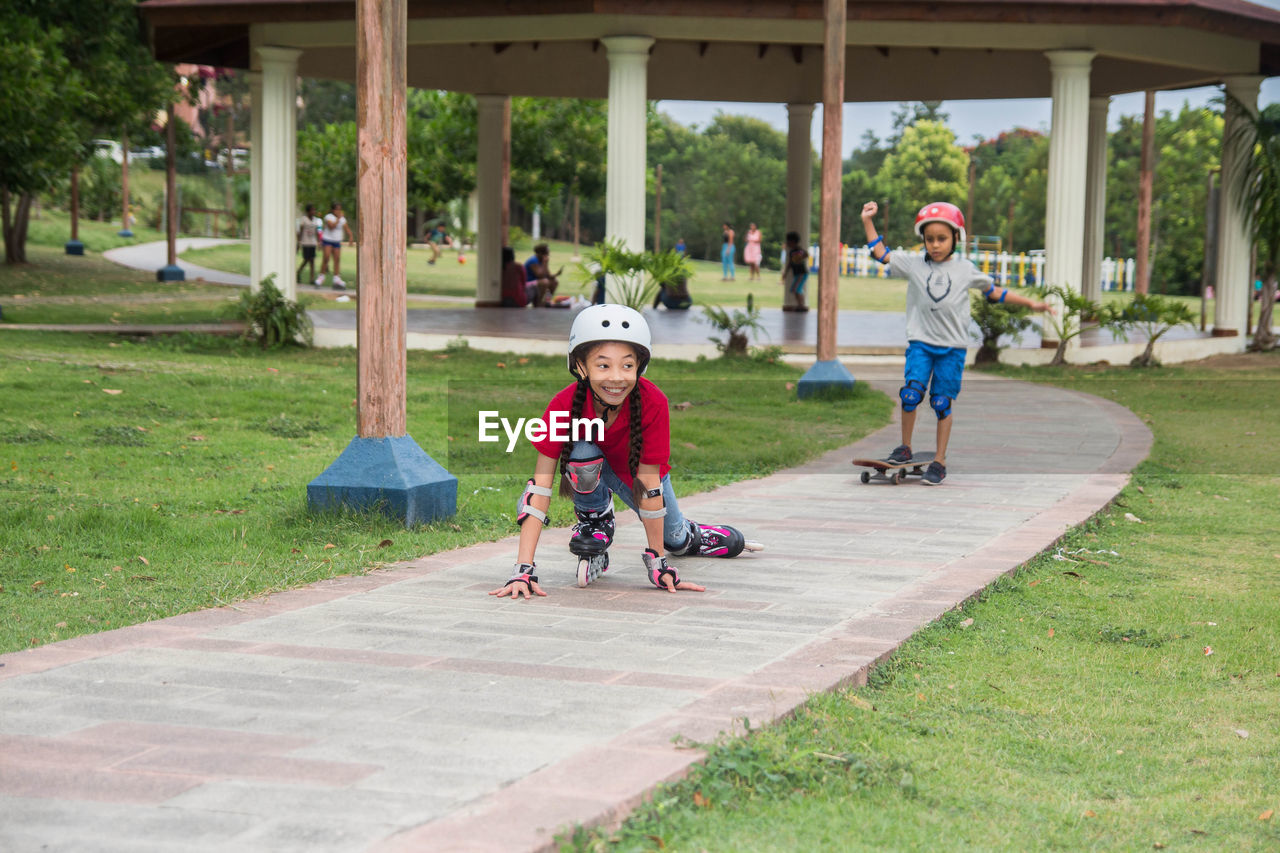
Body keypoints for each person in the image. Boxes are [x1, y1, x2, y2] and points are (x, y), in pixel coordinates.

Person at [489, 304, 760, 599]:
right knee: (582, 453)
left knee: (674, 539)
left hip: (639, 479)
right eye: (603, 365)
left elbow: (650, 487)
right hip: (592, 471)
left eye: (627, 365)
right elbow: (538, 491)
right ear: (580, 365)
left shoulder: (653, 402)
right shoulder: (563, 404)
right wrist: (522, 570)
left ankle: (690, 534)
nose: (616, 377)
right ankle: (596, 521)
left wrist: (658, 564)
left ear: (640, 366)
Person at [861, 200, 1052, 485]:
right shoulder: (914, 264)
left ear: (955, 238)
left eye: (941, 238)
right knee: (911, 394)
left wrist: (1031, 304)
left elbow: (995, 292)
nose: (935, 245)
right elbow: (880, 253)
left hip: (952, 348)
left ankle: (939, 460)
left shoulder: (965, 269)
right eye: (929, 239)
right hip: (921, 344)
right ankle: (904, 447)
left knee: (941, 402)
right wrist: (867, 220)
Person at [316, 202, 354, 290]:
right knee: (326, 258)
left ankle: (336, 278)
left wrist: (350, 236)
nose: (339, 211)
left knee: (337, 259)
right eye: (337, 209)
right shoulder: (328, 217)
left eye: (340, 209)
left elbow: (346, 228)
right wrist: (338, 219)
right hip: (328, 240)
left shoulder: (342, 219)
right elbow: (331, 227)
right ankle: (321, 277)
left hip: (336, 241)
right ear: (333, 210)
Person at [782, 231, 809, 312]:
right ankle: (800, 305)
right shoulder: (791, 252)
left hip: (802, 273)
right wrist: (785, 273)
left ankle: (801, 305)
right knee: (795, 289)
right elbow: (790, 263)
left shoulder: (798, 250)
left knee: (797, 289)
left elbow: (806, 254)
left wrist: (800, 257)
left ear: (793, 242)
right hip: (797, 274)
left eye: (789, 242)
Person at [296, 204, 322, 285]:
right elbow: (300, 231)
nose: (313, 212)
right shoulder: (304, 220)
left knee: (312, 260)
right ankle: (298, 272)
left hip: (313, 242)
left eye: (314, 210)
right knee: (306, 259)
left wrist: (319, 242)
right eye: (312, 210)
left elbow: (318, 231)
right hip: (305, 242)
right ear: (308, 211)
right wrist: (299, 242)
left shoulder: (316, 220)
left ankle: (312, 278)